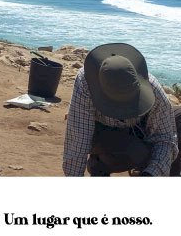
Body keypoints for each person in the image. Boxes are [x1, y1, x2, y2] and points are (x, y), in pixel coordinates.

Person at [63, 43, 179, 176]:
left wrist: (151, 174)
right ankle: (99, 165)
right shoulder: (85, 84)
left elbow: (166, 139)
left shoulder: (153, 90)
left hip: (138, 129)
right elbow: (78, 139)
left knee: (178, 121)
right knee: (134, 150)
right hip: (101, 131)